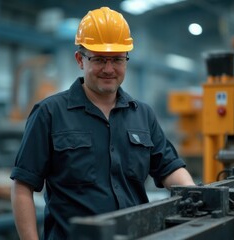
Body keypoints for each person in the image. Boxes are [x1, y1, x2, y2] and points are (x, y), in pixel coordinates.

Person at [10, 6, 195, 240]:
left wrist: (196, 195)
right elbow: (23, 187)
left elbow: (170, 169)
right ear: (80, 59)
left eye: (117, 59)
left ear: (126, 59)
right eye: (99, 59)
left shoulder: (143, 115)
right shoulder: (49, 113)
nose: (109, 69)